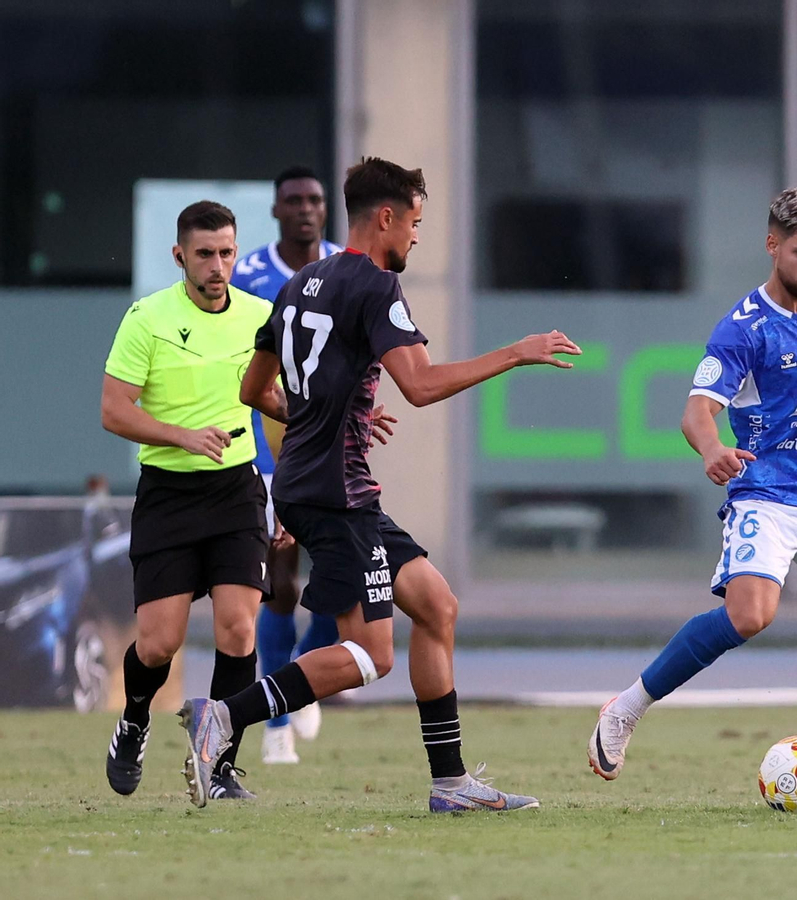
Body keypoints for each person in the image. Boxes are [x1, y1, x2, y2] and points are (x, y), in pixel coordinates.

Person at [177, 156, 581, 812]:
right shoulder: (373, 285)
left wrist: (311, 417)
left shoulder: (301, 283)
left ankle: (450, 784)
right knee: (371, 656)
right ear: (385, 217)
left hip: (318, 486)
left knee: (437, 605)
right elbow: (419, 387)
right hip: (337, 494)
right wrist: (516, 351)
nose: (417, 237)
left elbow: (253, 389)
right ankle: (222, 717)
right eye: (415, 222)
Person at [586, 188, 797, 810]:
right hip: (767, 494)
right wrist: (711, 448)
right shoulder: (743, 329)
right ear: (772, 244)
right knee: (751, 615)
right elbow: (698, 411)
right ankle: (627, 707)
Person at [101, 201, 275, 802]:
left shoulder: (261, 316)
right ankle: (134, 721)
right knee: (158, 643)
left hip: (236, 490)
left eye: (227, 252)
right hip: (169, 494)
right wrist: (182, 436)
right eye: (204, 254)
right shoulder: (146, 318)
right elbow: (113, 411)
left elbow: (273, 400)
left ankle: (219, 766)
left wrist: (322, 426)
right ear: (180, 256)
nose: (218, 265)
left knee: (237, 627)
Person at [234, 166, 346, 765]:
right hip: (265, 448)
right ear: (276, 210)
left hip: (330, 445)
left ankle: (304, 672)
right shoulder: (249, 274)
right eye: (294, 201)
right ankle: (277, 719)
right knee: (280, 585)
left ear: (326, 209)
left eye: (314, 200)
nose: (305, 209)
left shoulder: (345, 267)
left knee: (345, 576)